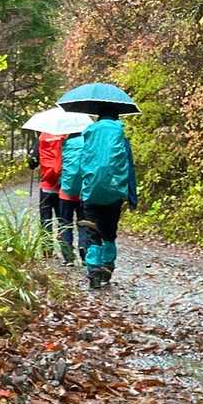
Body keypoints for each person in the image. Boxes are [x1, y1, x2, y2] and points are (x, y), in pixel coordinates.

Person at [67, 112, 137, 289]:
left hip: (91, 193)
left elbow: (80, 165)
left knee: (92, 232)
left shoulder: (89, 136)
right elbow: (129, 168)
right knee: (109, 232)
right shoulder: (121, 138)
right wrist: (132, 197)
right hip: (114, 192)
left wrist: (77, 191)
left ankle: (93, 273)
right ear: (116, 118)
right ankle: (107, 266)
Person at [27, 131, 67, 249]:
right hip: (62, 187)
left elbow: (32, 162)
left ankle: (47, 251)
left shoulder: (42, 137)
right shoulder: (65, 137)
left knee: (45, 220)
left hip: (46, 186)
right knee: (63, 220)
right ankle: (66, 250)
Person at [58, 128, 90, 266]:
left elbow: (59, 167)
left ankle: (68, 257)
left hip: (66, 192)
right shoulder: (88, 143)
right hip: (84, 192)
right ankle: (84, 248)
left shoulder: (65, 144)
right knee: (83, 222)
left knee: (65, 223)